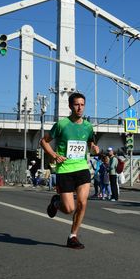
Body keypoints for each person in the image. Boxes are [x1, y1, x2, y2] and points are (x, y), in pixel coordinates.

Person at [40, 92, 99, 249]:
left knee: (82, 203)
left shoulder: (88, 126)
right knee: (69, 209)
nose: (80, 108)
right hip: (65, 169)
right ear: (70, 106)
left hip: (81, 168)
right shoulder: (62, 124)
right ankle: (56, 202)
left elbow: (91, 143)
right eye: (76, 104)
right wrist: (54, 155)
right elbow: (43, 141)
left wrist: (94, 147)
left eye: (82, 104)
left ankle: (73, 236)